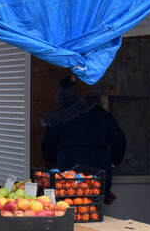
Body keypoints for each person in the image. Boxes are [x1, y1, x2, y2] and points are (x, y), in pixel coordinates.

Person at [41, 75, 126, 203]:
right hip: (100, 166)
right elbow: (119, 139)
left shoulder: (57, 120)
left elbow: (48, 147)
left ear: (60, 104)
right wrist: (114, 161)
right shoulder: (100, 114)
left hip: (69, 169)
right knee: (94, 207)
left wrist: (56, 163)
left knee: (70, 206)